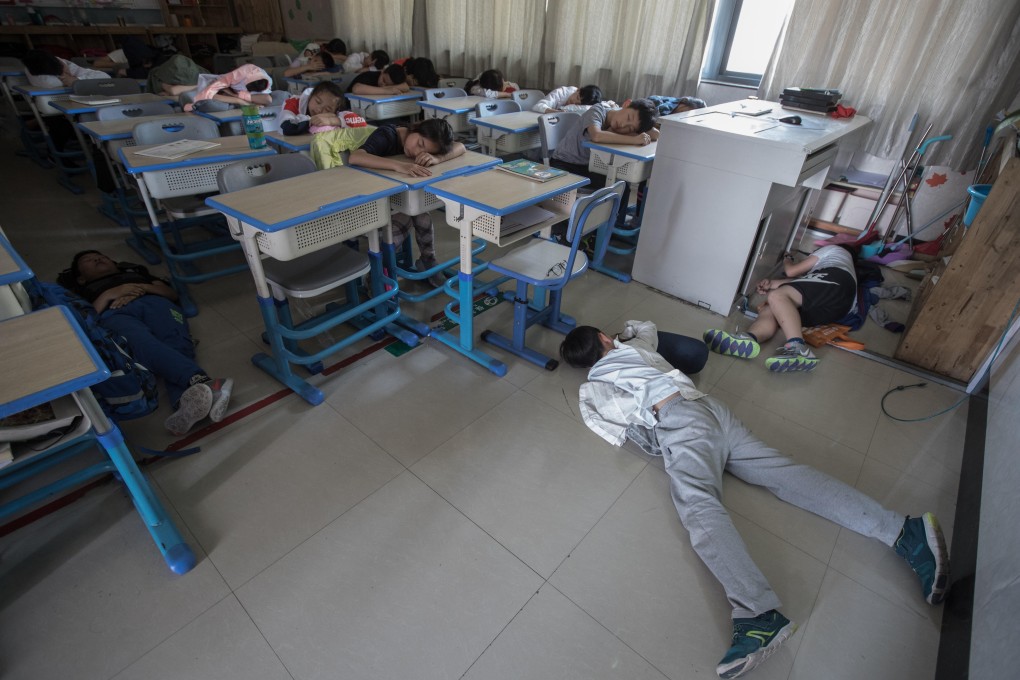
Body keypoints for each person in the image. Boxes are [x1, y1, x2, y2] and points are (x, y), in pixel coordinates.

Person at [559, 321, 949, 679]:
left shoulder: (592, 387)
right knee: (788, 475)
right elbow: (645, 326)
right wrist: (621, 334)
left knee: (699, 507)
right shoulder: (637, 343)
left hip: (680, 424)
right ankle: (904, 530)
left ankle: (758, 614)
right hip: (712, 410)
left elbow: (614, 428)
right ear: (605, 339)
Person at [60, 251, 234, 437]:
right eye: (88, 260)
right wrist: (112, 293)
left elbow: (170, 293)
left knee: (177, 343)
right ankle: (202, 381)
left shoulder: (135, 271)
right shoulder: (81, 292)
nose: (97, 259)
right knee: (142, 343)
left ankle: (186, 402)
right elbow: (86, 320)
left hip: (156, 303)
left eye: (102, 256)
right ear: (80, 278)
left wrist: (139, 287)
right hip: (114, 313)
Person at [348, 119, 466, 287]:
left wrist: (437, 158)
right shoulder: (388, 135)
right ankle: (377, 277)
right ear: (415, 127)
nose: (416, 152)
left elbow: (461, 146)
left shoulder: (425, 143)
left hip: (393, 200)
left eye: (425, 151)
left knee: (420, 213)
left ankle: (426, 260)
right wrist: (399, 166)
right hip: (368, 201)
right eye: (419, 143)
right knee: (411, 216)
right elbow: (355, 157)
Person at [704, 245, 859, 373]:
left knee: (777, 297)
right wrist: (771, 283)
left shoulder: (835, 250)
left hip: (838, 282)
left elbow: (792, 271)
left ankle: (798, 348)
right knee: (776, 307)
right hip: (837, 306)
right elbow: (802, 283)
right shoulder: (834, 268)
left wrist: (787, 259)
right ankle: (749, 338)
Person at [550, 98, 658, 229]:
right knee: (607, 189)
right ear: (626, 104)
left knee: (621, 186)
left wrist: (638, 129)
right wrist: (633, 139)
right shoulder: (598, 111)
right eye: (628, 117)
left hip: (587, 167)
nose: (624, 125)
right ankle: (585, 230)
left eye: (630, 128)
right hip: (564, 163)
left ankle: (612, 229)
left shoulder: (622, 127)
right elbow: (597, 135)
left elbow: (655, 134)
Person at [164, 63, 273, 112]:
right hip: (211, 84)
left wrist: (238, 96)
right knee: (174, 91)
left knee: (177, 91)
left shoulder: (263, 81)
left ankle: (164, 90)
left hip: (224, 89)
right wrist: (239, 100)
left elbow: (267, 99)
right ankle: (162, 85)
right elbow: (212, 95)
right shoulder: (233, 77)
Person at [279, 81, 346, 136]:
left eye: (328, 109)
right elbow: (288, 128)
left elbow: (353, 119)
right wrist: (314, 119)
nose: (319, 109)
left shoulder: (336, 110)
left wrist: (337, 120)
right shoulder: (292, 103)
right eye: (318, 102)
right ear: (310, 96)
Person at [23, 49, 109, 89]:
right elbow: (49, 83)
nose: (66, 72)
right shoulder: (43, 76)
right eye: (61, 73)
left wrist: (77, 80)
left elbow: (105, 77)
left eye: (63, 66)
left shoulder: (65, 64)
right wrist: (67, 79)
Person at [532, 84, 604, 114]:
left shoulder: (585, 107)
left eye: (578, 104)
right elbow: (538, 106)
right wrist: (556, 112)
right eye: (577, 97)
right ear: (578, 90)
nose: (574, 102)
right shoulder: (561, 92)